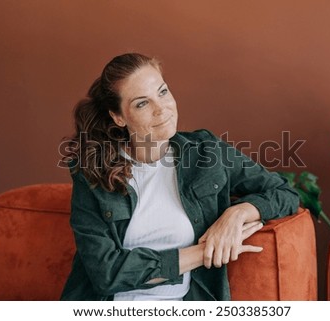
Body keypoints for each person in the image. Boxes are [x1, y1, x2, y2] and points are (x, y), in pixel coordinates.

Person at [60, 53, 299, 301]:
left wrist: (235, 214)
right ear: (118, 117)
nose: (161, 108)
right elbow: (107, 273)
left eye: (162, 92)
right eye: (142, 103)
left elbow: (285, 193)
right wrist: (206, 251)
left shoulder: (206, 152)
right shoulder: (91, 172)